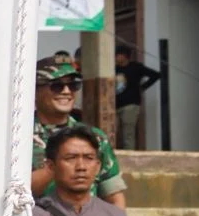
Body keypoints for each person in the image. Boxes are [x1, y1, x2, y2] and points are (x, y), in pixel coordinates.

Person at [29, 56, 127, 207]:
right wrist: (55, 166)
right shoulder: (18, 138)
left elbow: (114, 196)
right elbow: (14, 192)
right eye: (56, 86)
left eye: (73, 85)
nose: (66, 91)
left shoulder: (95, 138)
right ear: (35, 91)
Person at [114, 45, 160, 151]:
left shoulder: (136, 67)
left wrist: (143, 87)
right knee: (112, 132)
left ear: (124, 56)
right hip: (115, 105)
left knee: (128, 133)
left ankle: (129, 155)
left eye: (117, 55)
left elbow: (156, 75)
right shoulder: (114, 68)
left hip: (131, 104)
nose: (115, 58)